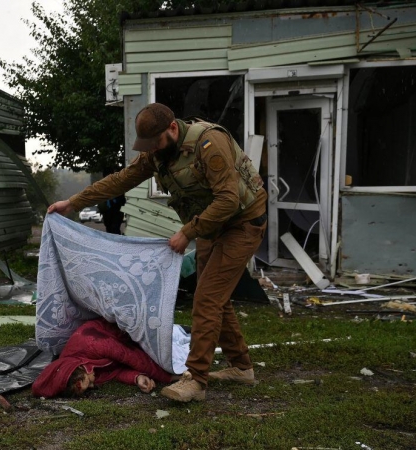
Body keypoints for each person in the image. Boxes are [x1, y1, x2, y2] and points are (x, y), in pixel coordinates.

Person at [47, 103, 267, 402]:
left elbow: (228, 200)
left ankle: (196, 380)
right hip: (211, 226)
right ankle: (241, 367)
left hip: (242, 222)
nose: (152, 150)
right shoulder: (158, 152)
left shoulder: (208, 143)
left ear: (173, 129)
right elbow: (121, 180)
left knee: (207, 299)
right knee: (213, 296)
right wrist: (73, 203)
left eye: (157, 143)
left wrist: (187, 232)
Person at [31, 318, 174, 398]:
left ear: (82, 371)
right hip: (130, 343)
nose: (94, 384)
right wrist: (136, 377)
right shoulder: (83, 368)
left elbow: (133, 357)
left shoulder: (92, 344)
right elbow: (114, 372)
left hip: (130, 328)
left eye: (89, 383)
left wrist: (169, 377)